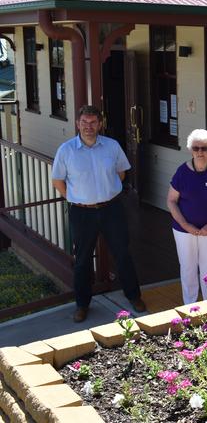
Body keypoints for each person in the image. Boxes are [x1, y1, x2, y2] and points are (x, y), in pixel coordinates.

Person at [52, 105, 146, 323]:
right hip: (82, 212)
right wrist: (77, 198)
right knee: (83, 259)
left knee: (122, 253)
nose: (88, 126)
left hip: (112, 208)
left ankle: (134, 296)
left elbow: (121, 174)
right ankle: (82, 304)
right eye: (84, 122)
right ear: (77, 124)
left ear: (100, 124)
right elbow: (58, 180)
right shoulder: (66, 150)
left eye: (93, 122)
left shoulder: (112, 146)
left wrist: (104, 192)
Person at [167, 129, 207, 305]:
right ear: (190, 150)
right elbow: (171, 201)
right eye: (196, 148)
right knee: (188, 268)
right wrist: (186, 225)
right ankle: (191, 307)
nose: (200, 152)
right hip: (184, 230)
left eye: (204, 148)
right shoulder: (182, 172)